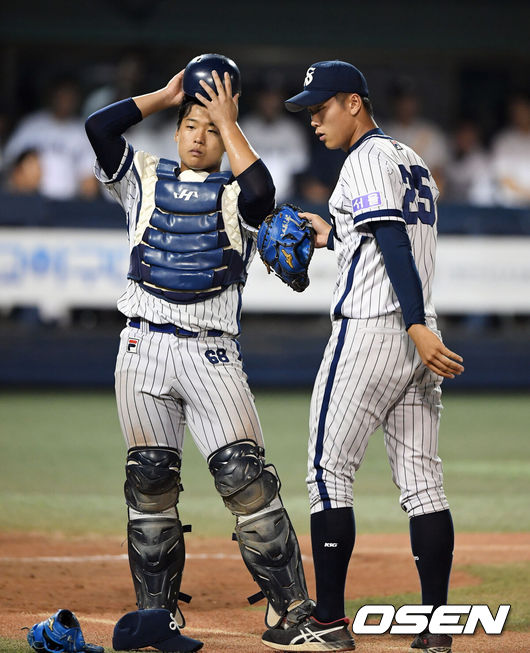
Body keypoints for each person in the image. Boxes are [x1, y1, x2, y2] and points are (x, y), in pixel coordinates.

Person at [85, 54, 313, 652]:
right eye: (192, 124)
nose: (199, 136)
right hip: (141, 345)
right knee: (150, 481)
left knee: (245, 479)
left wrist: (227, 120)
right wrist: (166, 95)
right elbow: (100, 130)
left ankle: (292, 612)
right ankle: (157, 616)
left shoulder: (239, 194)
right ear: (176, 127)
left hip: (210, 351)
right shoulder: (143, 175)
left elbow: (264, 196)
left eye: (210, 129)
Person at [261, 61, 464, 653]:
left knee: (328, 474)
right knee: (423, 483)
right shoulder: (410, 159)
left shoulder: (366, 159)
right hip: (413, 343)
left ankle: (326, 621)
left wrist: (415, 323)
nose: (314, 119)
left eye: (321, 107)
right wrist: (336, 233)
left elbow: (394, 241)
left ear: (354, 102)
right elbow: (382, 234)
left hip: (376, 331)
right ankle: (435, 630)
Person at [4, 75, 99, 199]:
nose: (65, 100)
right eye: (62, 95)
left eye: (70, 96)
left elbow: (89, 184)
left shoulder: (83, 132)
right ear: (52, 96)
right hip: (27, 199)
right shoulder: (31, 125)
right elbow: (10, 164)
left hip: (65, 205)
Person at [239, 79, 310, 201]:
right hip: (247, 200)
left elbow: (301, 167)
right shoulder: (244, 128)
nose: (270, 103)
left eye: (274, 97)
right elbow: (228, 166)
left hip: (285, 200)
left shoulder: (293, 130)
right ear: (257, 99)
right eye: (266, 97)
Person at [383, 78, 450, 197]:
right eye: (402, 100)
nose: (406, 105)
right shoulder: (383, 133)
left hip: (425, 203)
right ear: (394, 103)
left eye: (410, 100)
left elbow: (440, 177)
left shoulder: (431, 133)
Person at [491, 92, 530, 206]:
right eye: (516, 111)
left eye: (523, 110)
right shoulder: (503, 140)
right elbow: (503, 178)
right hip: (512, 207)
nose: (520, 114)